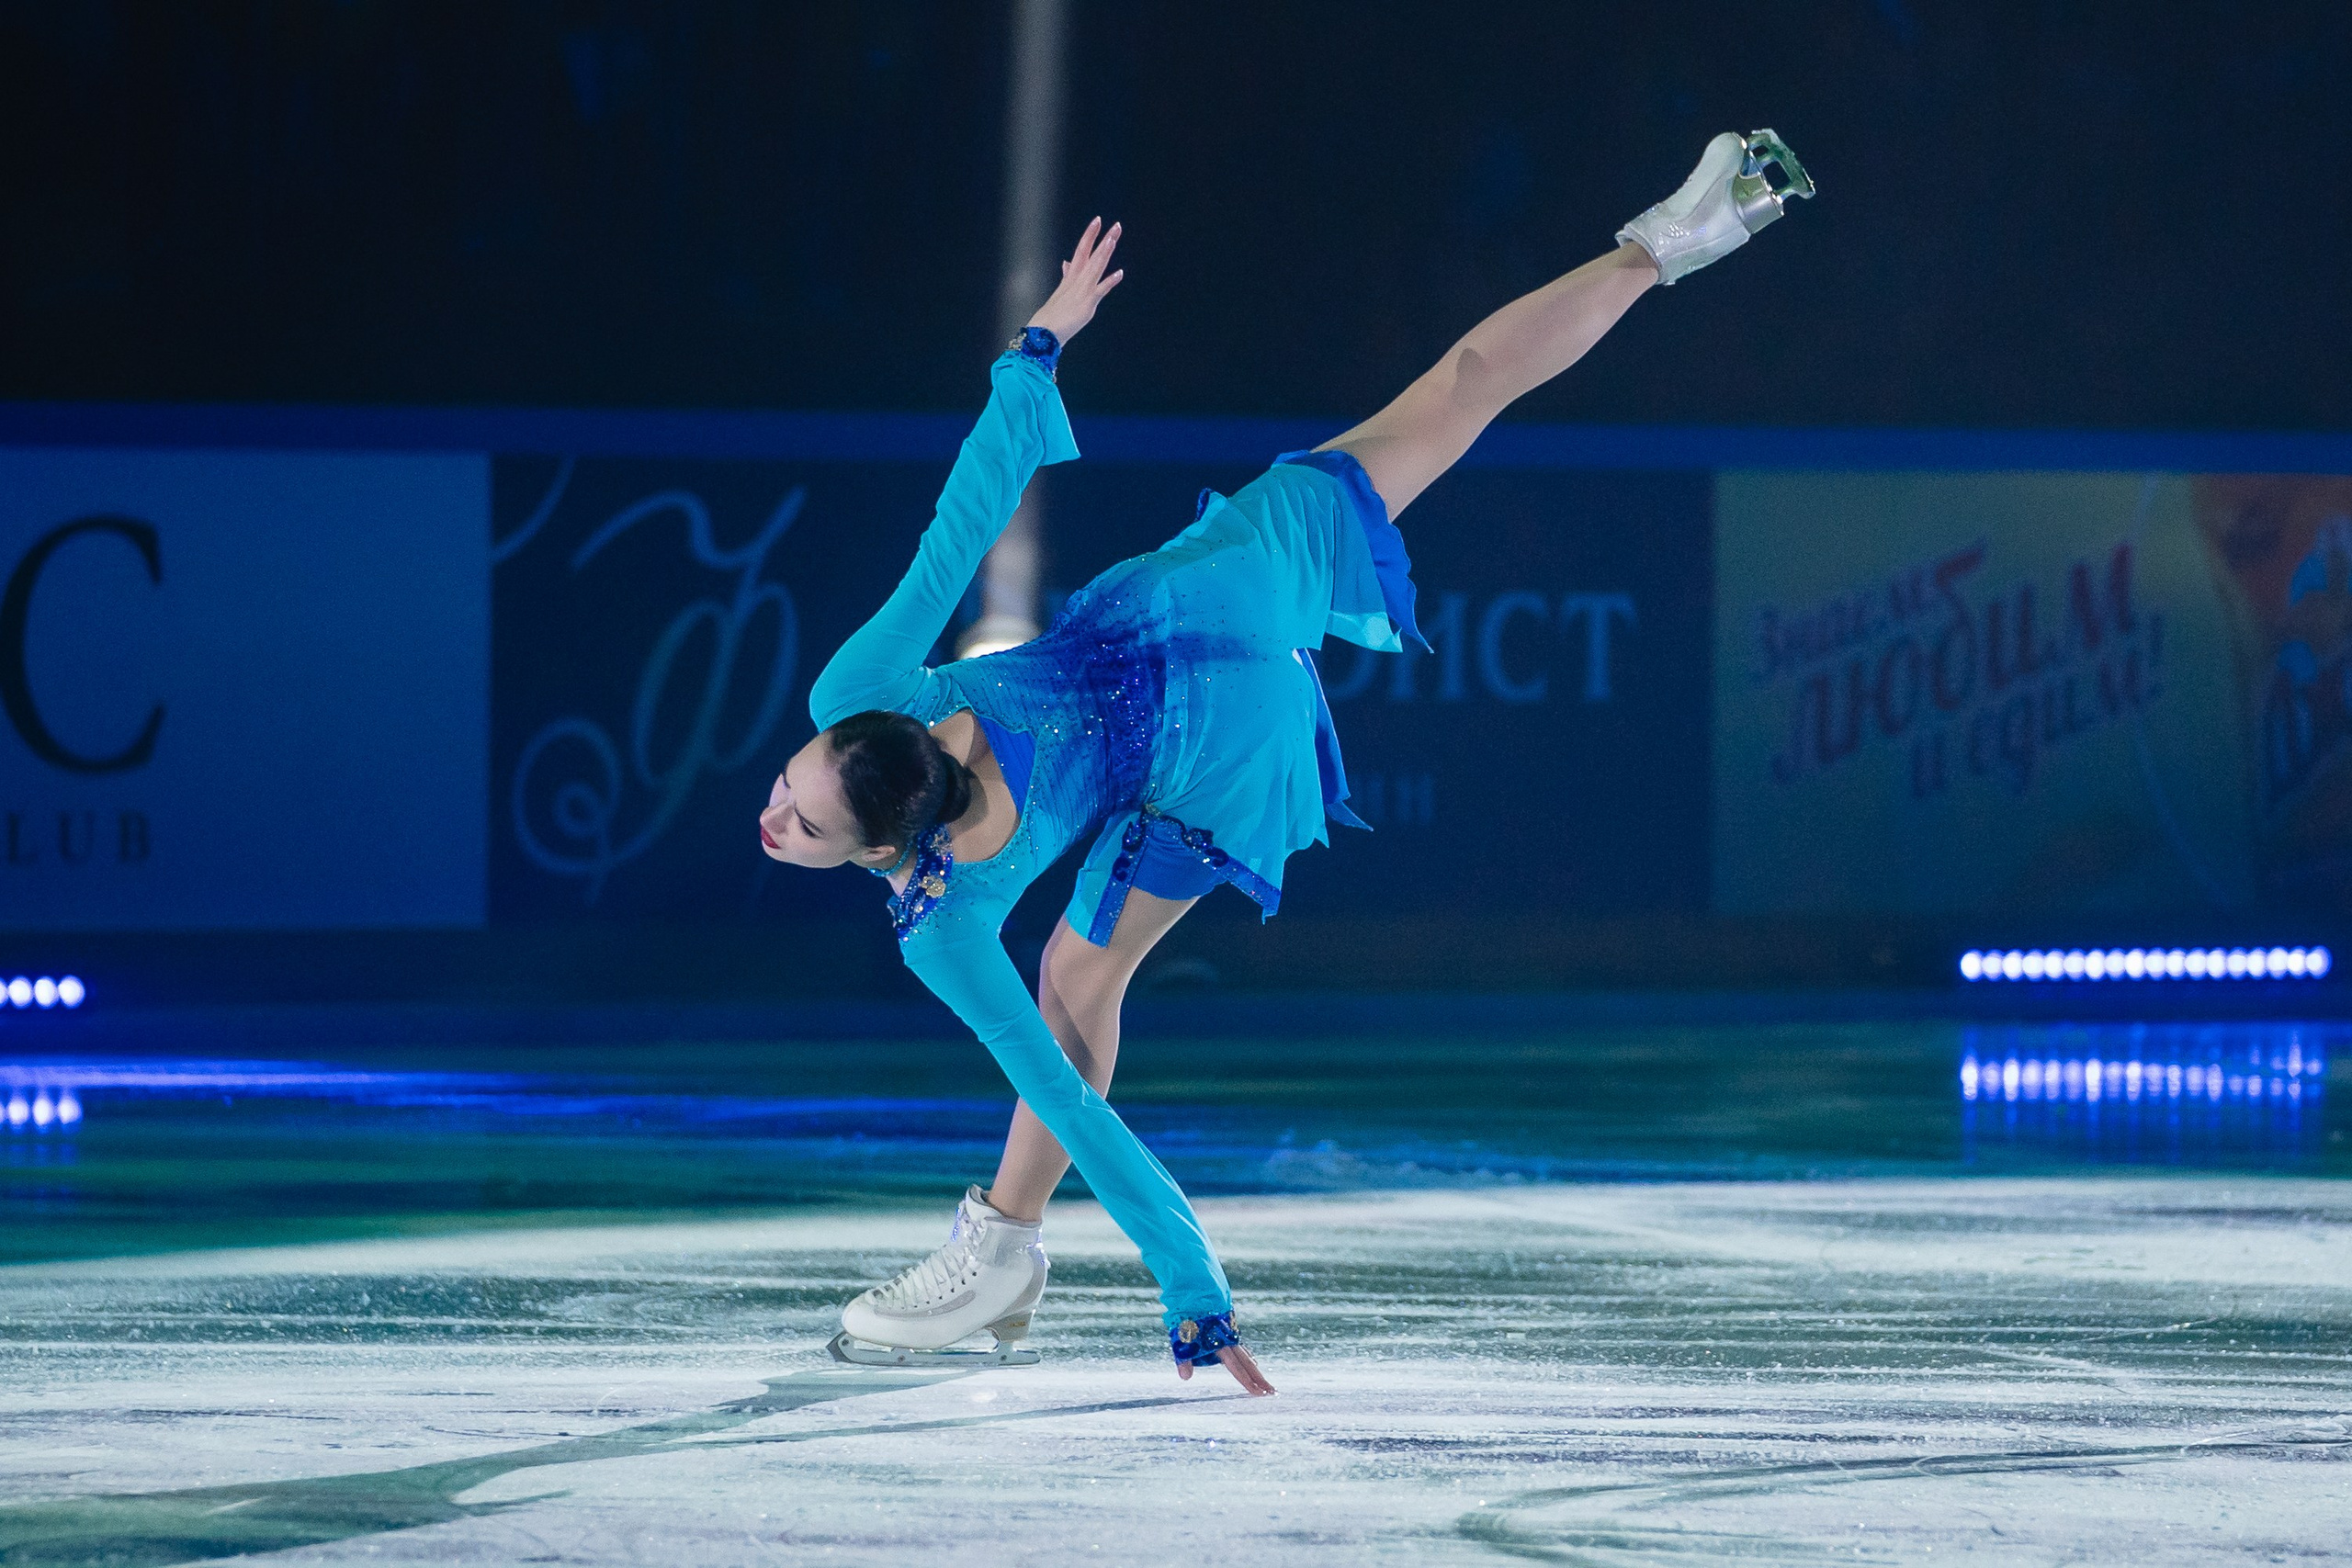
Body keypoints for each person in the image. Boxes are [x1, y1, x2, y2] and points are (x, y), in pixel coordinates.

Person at [759, 131, 1814, 1395]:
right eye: (796, 812)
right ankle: (1674, 239)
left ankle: (1000, 1253)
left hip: (1224, 741)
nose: (775, 814)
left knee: (1078, 981)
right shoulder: (859, 698)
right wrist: (1033, 356)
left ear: (885, 835)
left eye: (795, 805)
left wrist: (1196, 1291)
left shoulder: (943, 921)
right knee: (1456, 392)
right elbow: (961, 526)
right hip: (1215, 591)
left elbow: (1077, 1107)